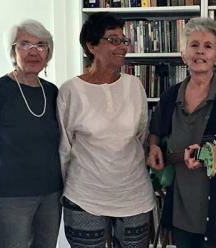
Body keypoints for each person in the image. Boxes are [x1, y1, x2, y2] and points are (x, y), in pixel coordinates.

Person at [147, 17, 216, 248]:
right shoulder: (170, 96)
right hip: (181, 208)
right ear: (183, 54)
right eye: (194, 45)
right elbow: (155, 132)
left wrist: (209, 160)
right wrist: (154, 147)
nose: (200, 52)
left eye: (208, 46)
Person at [57, 12, 155, 248]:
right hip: (85, 196)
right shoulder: (70, 90)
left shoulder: (134, 85)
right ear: (91, 46)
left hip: (134, 195)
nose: (122, 46)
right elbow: (64, 148)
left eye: (124, 40)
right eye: (113, 40)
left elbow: (140, 135)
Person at [0, 19, 63, 248]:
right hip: (8, 198)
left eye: (41, 45)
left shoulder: (52, 92)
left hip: (51, 196)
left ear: (48, 52)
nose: (33, 51)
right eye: (24, 44)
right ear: (13, 50)